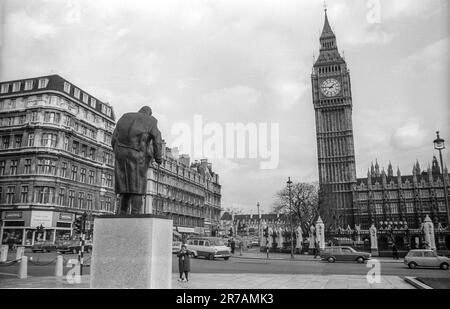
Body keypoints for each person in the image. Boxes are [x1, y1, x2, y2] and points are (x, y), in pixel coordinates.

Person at [112, 106, 162, 214]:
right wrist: (158, 157)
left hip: (120, 153)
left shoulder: (124, 116)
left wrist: (117, 152)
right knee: (137, 186)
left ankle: (122, 212)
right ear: (149, 113)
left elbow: (114, 138)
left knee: (123, 185)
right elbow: (157, 140)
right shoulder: (151, 120)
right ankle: (135, 213)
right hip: (138, 155)